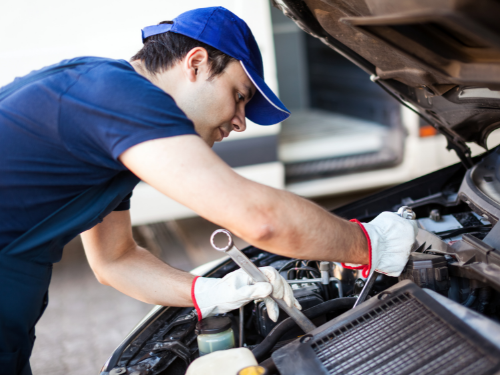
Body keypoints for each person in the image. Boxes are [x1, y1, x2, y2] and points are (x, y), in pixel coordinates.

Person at [0, 6, 418, 374]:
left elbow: (115, 260)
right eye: (238, 96)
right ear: (196, 63)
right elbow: (262, 221)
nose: (240, 122)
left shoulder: (110, 121)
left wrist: (207, 292)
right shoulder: (119, 95)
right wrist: (370, 243)